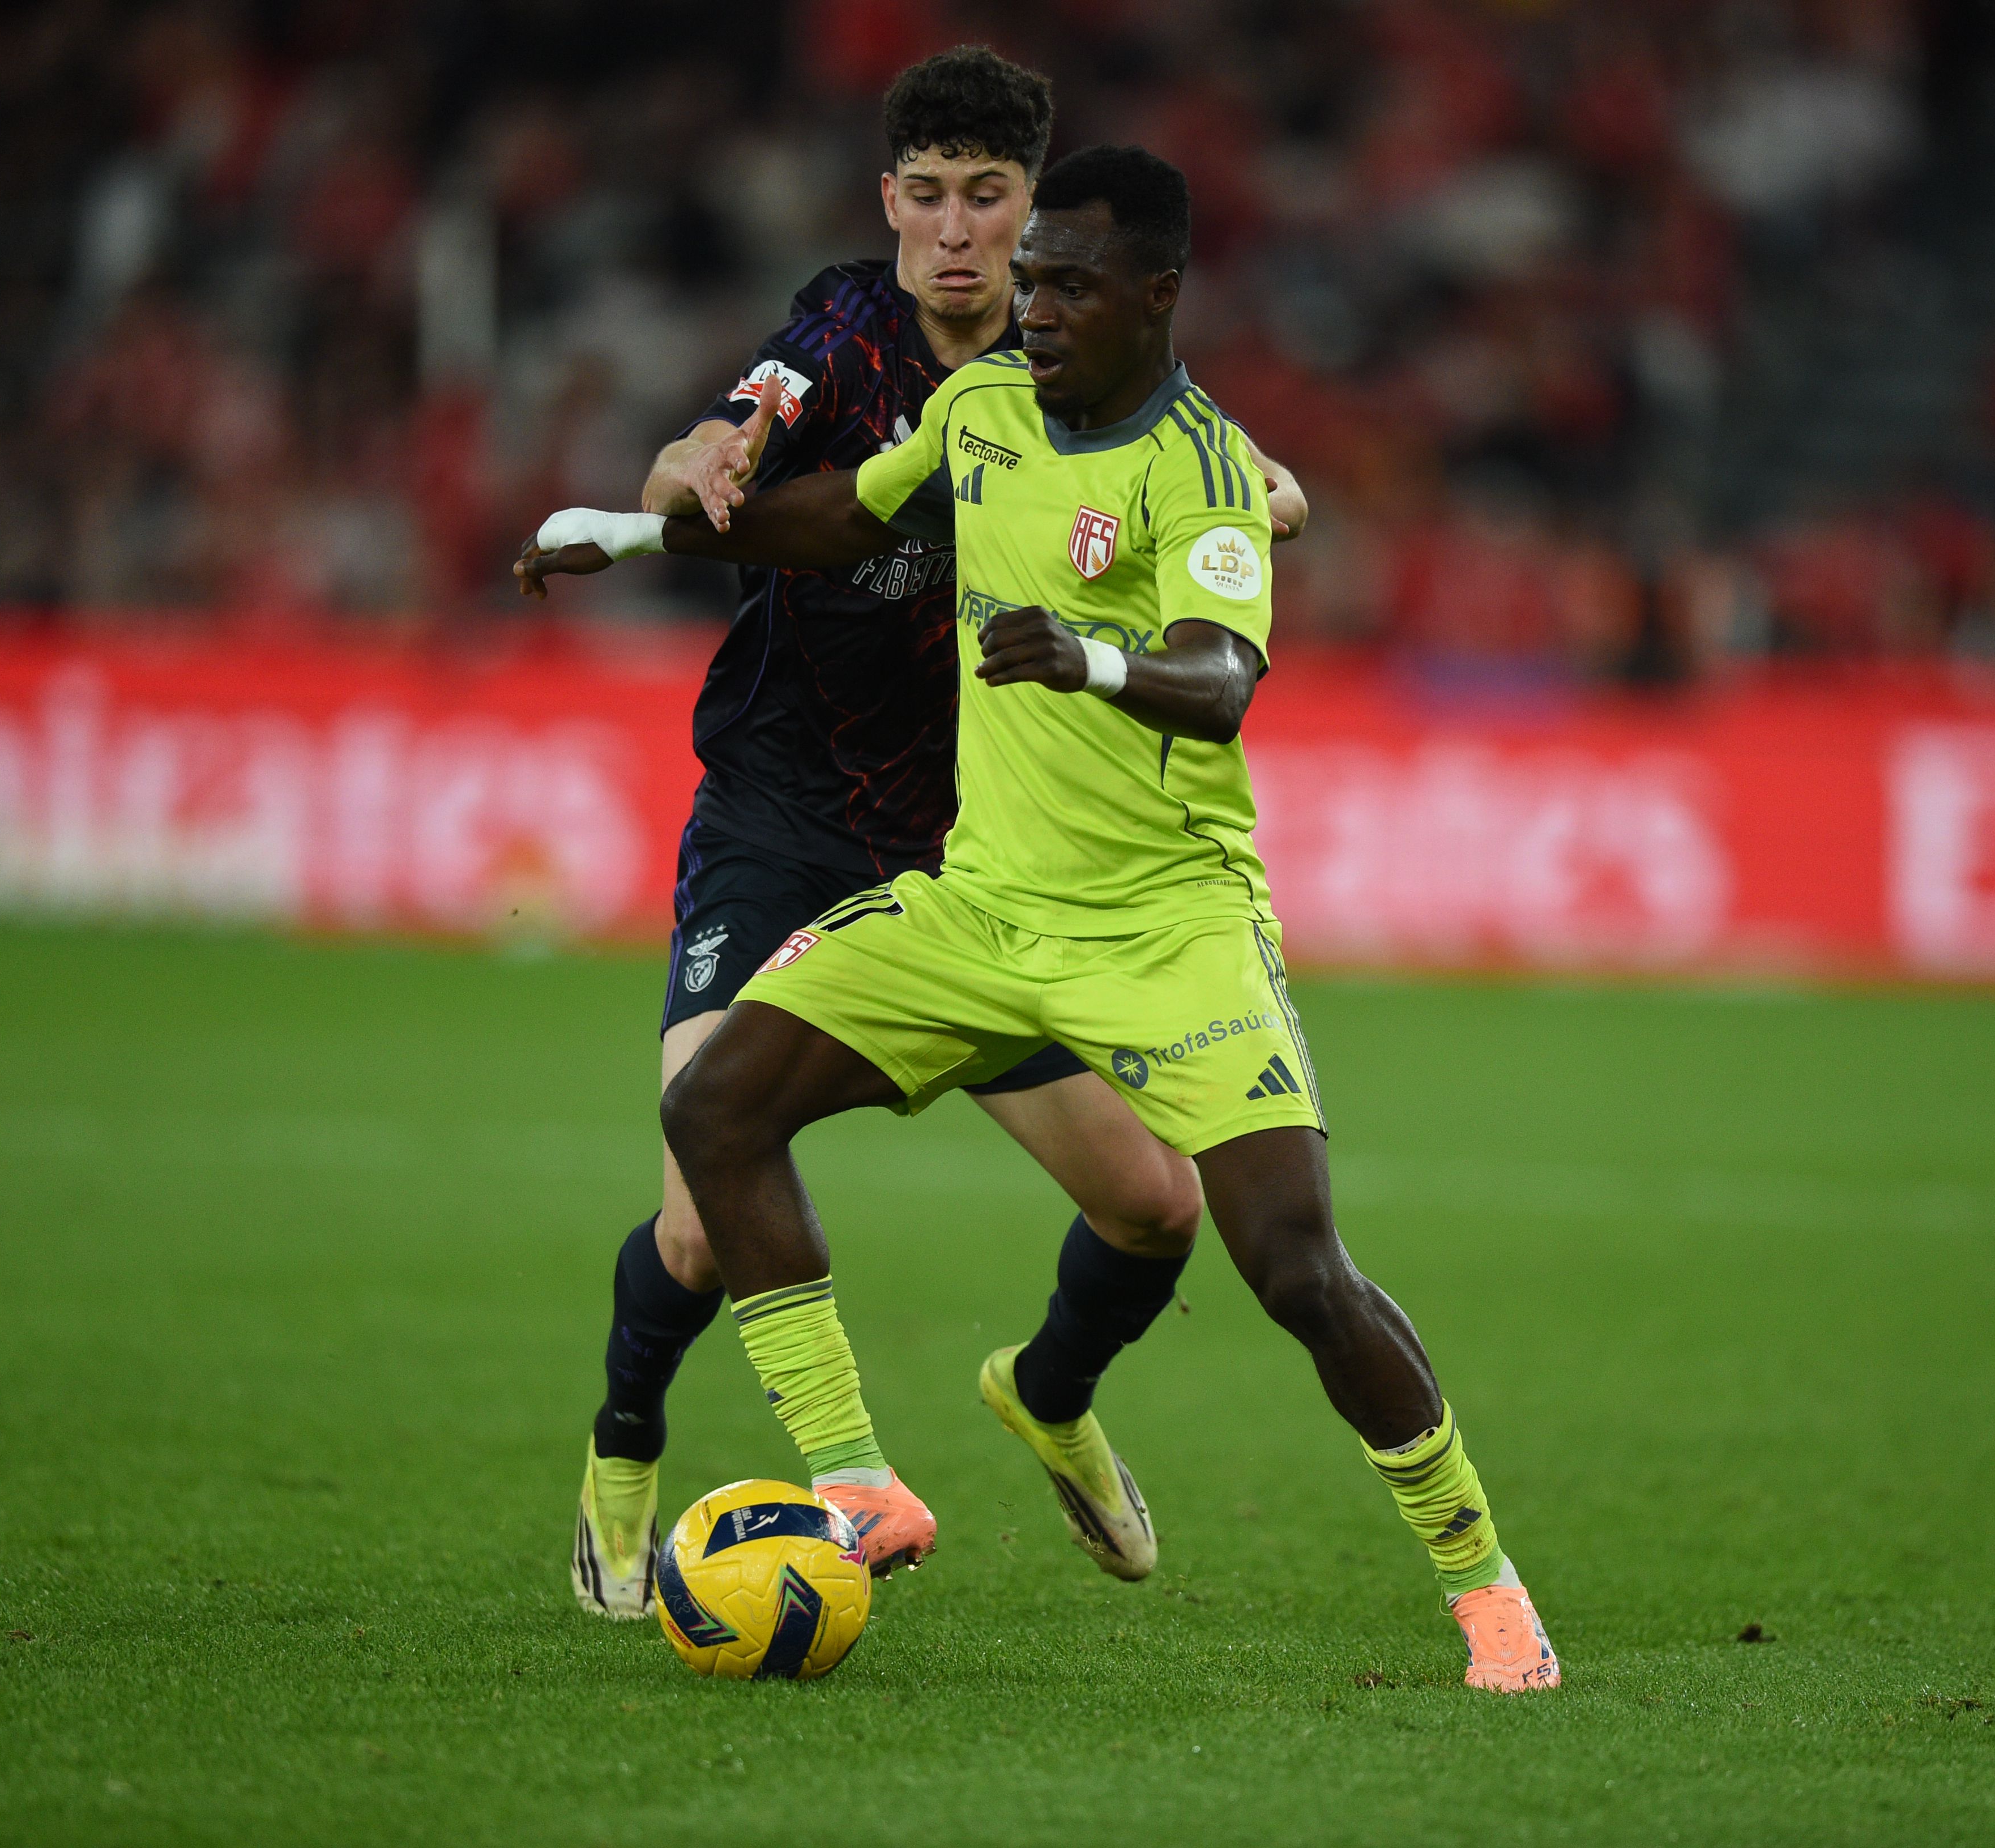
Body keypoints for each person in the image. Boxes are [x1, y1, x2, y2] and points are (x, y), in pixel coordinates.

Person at [520, 146, 1556, 1691]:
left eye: (1071, 283)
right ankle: (859, 1485)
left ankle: (1488, 1593)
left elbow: (1219, 681)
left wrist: (1083, 659)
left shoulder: (1203, 471)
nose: (1037, 306)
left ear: (1157, 295)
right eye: (1033, 277)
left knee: (1291, 1266)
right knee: (721, 1111)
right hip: (981, 903)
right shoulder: (981, 404)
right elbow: (838, 523)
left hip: (1169, 929)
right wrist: (629, 534)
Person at [518, 48, 1306, 1622]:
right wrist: (688, 471)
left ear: (1036, 210)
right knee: (699, 1196)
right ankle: (644, 1454)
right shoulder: (839, 335)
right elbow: (734, 430)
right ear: (890, 203)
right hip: (783, 812)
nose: (958, 234)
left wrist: (1265, 491)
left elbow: (1238, 477)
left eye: (990, 199)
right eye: (929, 197)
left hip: (977, 864)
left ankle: (1053, 1395)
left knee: (1157, 1205)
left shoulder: (1077, 361)